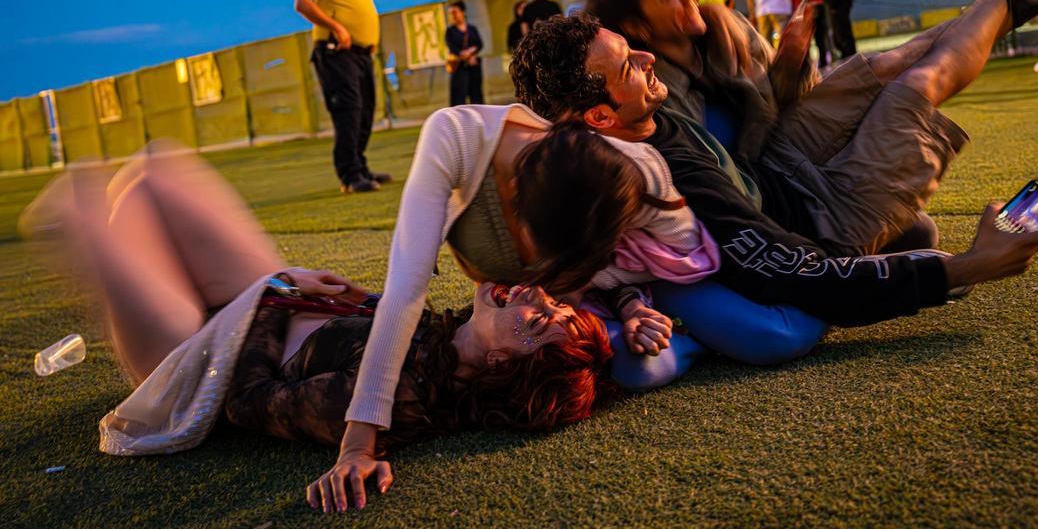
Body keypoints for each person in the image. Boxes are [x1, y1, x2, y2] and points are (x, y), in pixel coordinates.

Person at [512, 0, 1038, 325]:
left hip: (779, 166)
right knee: (917, 88)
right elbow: (802, 274)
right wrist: (968, 267)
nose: (647, 58)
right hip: (823, 217)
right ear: (599, 116)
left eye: (631, 49)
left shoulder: (655, 102)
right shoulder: (668, 170)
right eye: (628, 62)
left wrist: (787, 65)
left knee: (888, 64)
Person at [21, 147, 614, 516]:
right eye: (551, 305)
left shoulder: (393, 404)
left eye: (536, 323)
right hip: (260, 306)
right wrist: (350, 301)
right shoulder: (454, 336)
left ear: (500, 366)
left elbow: (246, 401)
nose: (534, 296)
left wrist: (277, 294)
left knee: (82, 207)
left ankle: (79, 236)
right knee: (154, 171)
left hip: (196, 361)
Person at [307, 100, 825, 508]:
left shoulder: (620, 173)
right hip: (572, 311)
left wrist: (630, 302)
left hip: (655, 275)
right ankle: (692, 341)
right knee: (632, 366)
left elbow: (684, 255)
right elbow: (406, 289)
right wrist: (359, 442)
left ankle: (741, 300)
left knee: (783, 334)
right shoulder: (455, 137)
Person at [587, 0, 937, 252]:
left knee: (919, 229)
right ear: (637, 26)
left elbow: (791, 108)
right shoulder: (648, 91)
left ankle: (987, 0)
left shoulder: (729, 29)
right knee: (914, 236)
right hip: (753, 215)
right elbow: (699, 191)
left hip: (800, 174)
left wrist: (789, 64)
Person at [294, 0, 391, 194]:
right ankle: (350, 176)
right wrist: (337, 27)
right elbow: (303, 4)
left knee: (365, 111)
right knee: (348, 112)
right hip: (336, 52)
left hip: (361, 55)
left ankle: (360, 166)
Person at [445, 0, 485, 106]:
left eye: (455, 12)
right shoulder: (450, 31)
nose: (452, 16)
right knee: (458, 98)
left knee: (476, 96)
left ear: (463, 12)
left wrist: (471, 53)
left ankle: (479, 120)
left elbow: (479, 44)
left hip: (474, 67)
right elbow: (452, 48)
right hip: (459, 68)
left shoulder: (472, 29)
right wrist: (465, 55)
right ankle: (458, 121)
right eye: (450, 13)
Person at [795, 0, 831, 68]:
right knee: (805, 41)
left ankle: (824, 62)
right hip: (805, 12)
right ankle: (808, 65)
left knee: (820, 37)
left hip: (818, 9)